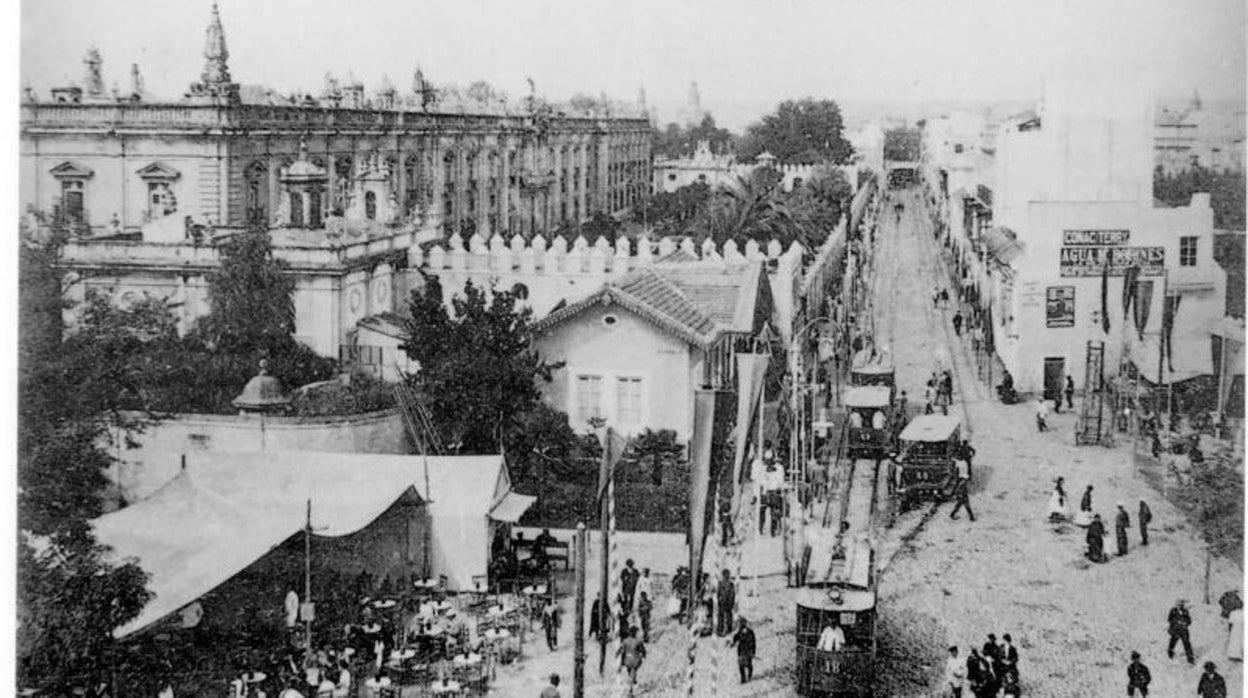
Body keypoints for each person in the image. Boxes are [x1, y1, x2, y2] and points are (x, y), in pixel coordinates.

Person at [617, 627, 646, 693]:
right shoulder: (638, 641)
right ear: (635, 633)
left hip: (627, 660)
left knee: (629, 670)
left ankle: (631, 679)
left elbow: (622, 651)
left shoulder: (625, 641)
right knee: (634, 669)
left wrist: (621, 661)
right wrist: (643, 655)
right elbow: (642, 650)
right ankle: (632, 682)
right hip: (635, 660)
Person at [1168, 599, 1195, 664]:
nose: (1179, 606)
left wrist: (1185, 623)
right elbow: (1169, 619)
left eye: (1181, 605)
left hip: (1183, 630)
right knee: (1173, 642)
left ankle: (1190, 659)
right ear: (1176, 605)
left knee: (1187, 644)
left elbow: (1189, 620)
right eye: (1178, 605)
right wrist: (1177, 622)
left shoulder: (1185, 611)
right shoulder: (1173, 611)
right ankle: (1170, 652)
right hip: (1175, 630)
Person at [730, 617, 757, 684]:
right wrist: (733, 642)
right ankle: (743, 678)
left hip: (748, 650)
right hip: (741, 651)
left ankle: (749, 676)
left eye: (741, 623)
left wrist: (752, 651)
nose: (740, 625)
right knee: (741, 665)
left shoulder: (750, 632)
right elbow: (736, 637)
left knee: (748, 664)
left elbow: (753, 642)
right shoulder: (740, 632)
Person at [716, 569, 736, 636]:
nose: (726, 576)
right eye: (725, 575)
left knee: (728, 616)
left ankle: (729, 629)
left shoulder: (731, 584)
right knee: (721, 616)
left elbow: (732, 594)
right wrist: (719, 600)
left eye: (727, 575)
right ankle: (720, 629)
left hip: (728, 602)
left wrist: (731, 602)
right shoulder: (720, 584)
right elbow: (718, 593)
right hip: (722, 602)